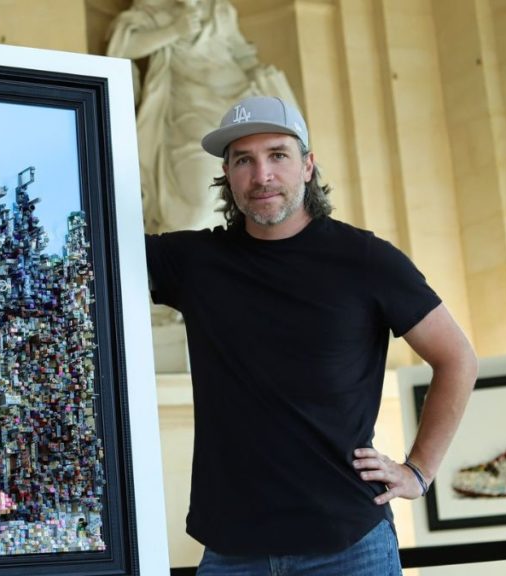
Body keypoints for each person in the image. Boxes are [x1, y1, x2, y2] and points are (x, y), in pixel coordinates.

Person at [144, 95, 478, 575]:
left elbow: (457, 358)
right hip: (233, 550)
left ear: (307, 165)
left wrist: (419, 470)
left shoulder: (366, 260)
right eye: (244, 160)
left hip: (349, 545)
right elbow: (84, 245)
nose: (262, 175)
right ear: (227, 175)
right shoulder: (194, 264)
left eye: (277, 155)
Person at [107, 0, 296, 234]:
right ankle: (183, 248)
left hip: (236, 103)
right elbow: (122, 46)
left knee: (258, 179)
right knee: (199, 197)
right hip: (190, 108)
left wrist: (261, 78)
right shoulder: (154, 7)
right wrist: (173, 30)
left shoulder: (220, 8)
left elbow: (242, 54)